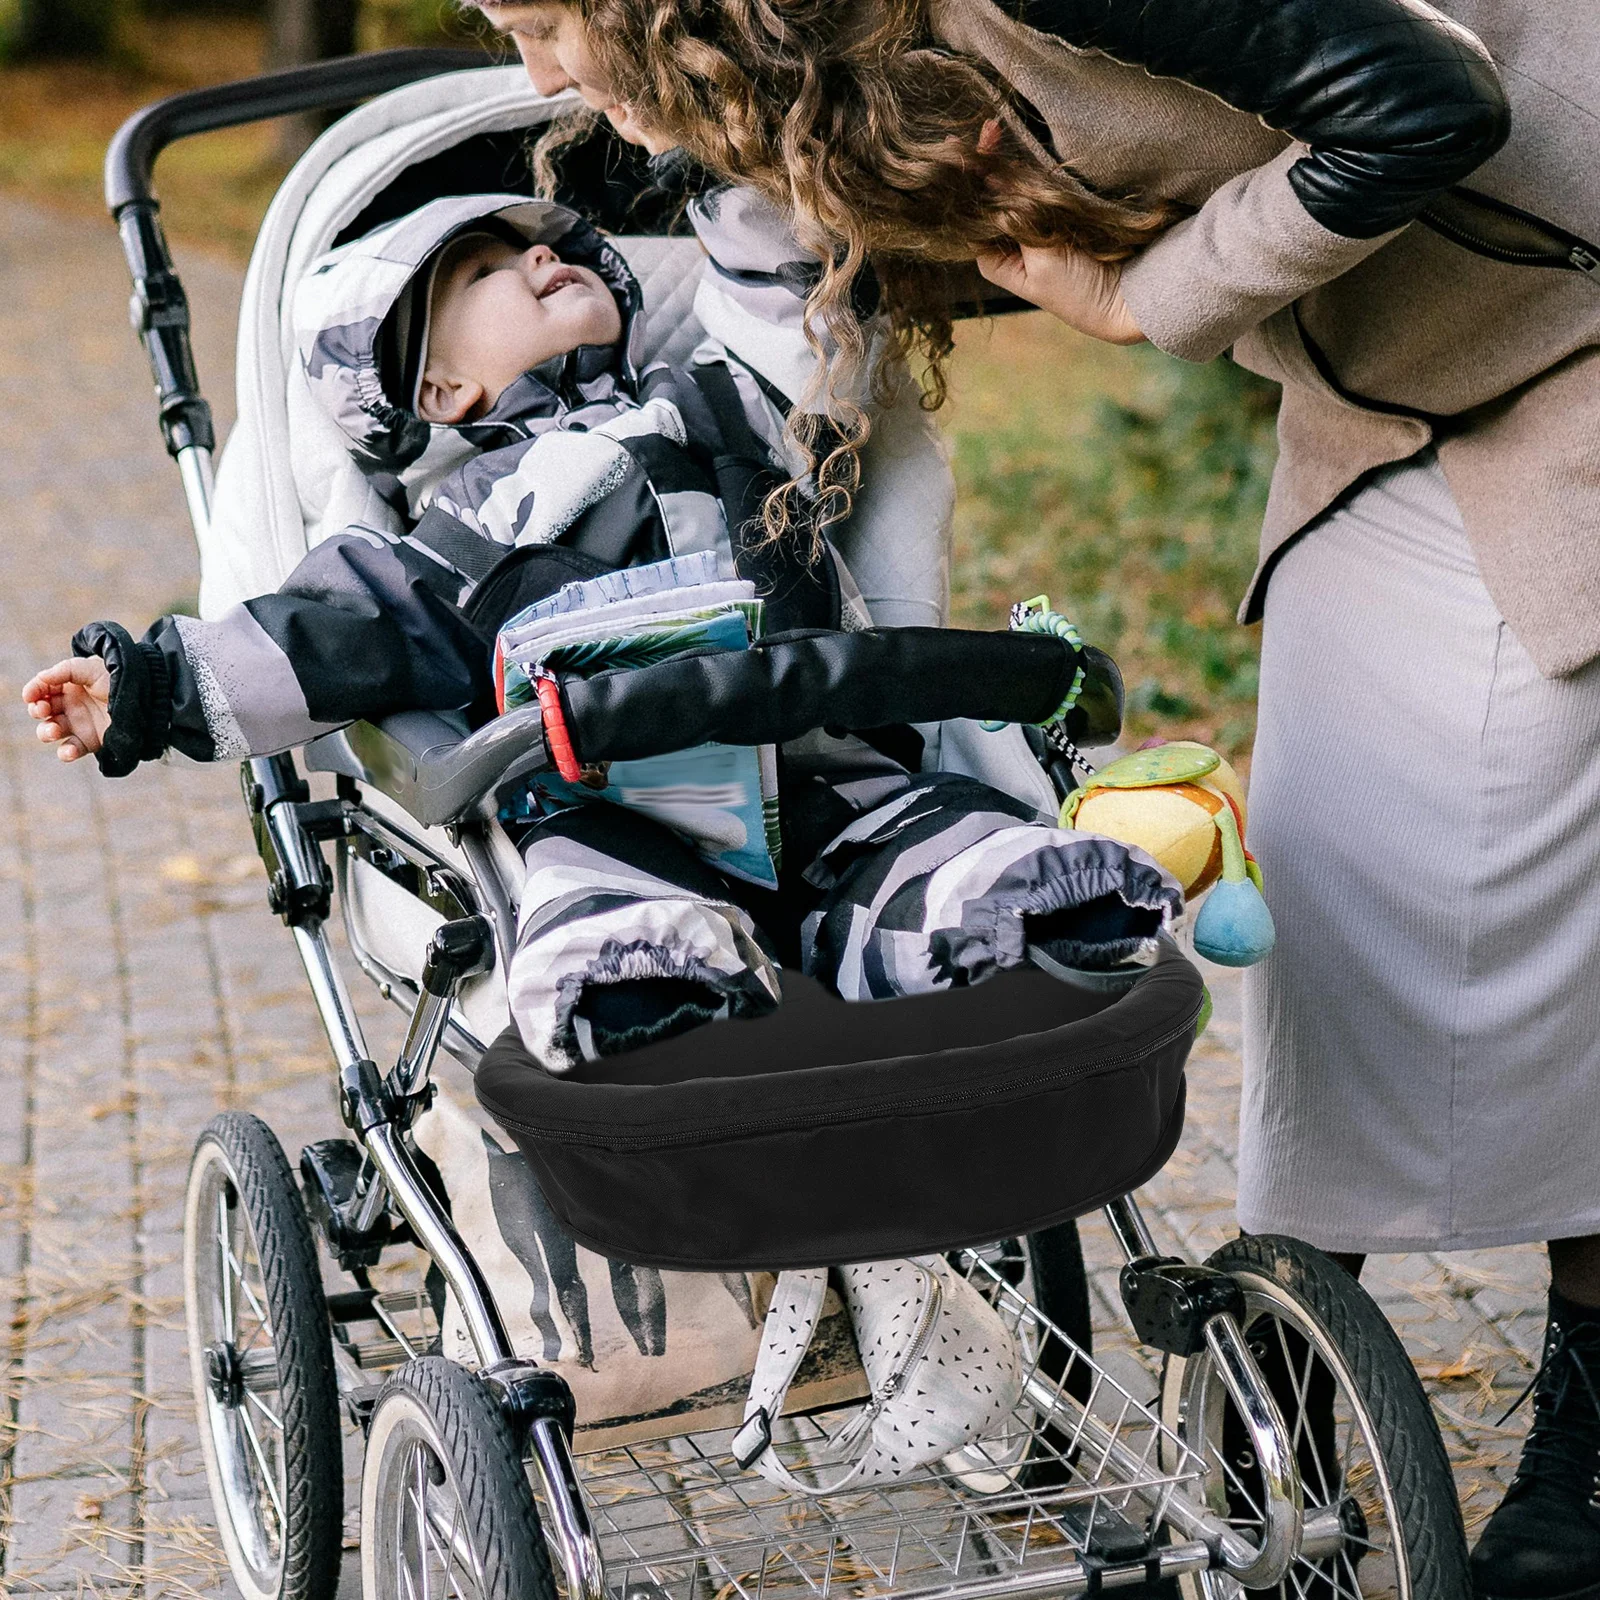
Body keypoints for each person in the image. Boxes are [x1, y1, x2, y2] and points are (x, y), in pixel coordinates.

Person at [464, 0, 1600, 1589]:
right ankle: (1286, 1366)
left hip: (1566, 321)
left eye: (539, 24)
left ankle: (1590, 1430)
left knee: (1548, 906)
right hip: (1402, 369)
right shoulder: (837, 55)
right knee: (1344, 890)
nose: (536, 77)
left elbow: (1426, 104)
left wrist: (1147, 299)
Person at [24, 188, 1181, 1072]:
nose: (540, 255)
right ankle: (644, 989)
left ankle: (1008, 911)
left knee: (935, 831)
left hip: (824, 753)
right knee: (589, 884)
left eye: (542, 245)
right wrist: (148, 687)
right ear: (441, 394)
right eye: (488, 267)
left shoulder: (718, 401)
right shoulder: (465, 523)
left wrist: (741, 156)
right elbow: (332, 628)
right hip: (616, 796)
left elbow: (790, 319)